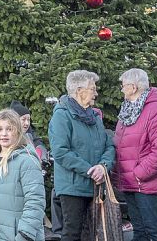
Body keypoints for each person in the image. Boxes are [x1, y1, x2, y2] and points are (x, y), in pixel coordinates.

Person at [47, 70, 115, 241]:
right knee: (72, 233)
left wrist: (103, 166)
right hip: (72, 188)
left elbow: (109, 146)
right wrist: (91, 170)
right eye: (93, 88)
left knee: (92, 235)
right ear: (79, 90)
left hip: (95, 187)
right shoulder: (61, 116)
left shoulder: (95, 118)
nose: (96, 93)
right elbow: (61, 152)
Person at [113, 68, 157, 241]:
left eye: (123, 86)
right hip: (131, 183)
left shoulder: (156, 110)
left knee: (155, 232)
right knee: (139, 232)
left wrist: (138, 173)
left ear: (132, 87)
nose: (121, 89)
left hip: (148, 183)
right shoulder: (127, 110)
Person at [0, 109, 46, 241]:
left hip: (19, 236)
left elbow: (35, 201)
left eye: (9, 129)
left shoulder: (27, 160)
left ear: (18, 131)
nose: (4, 134)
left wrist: (24, 235)